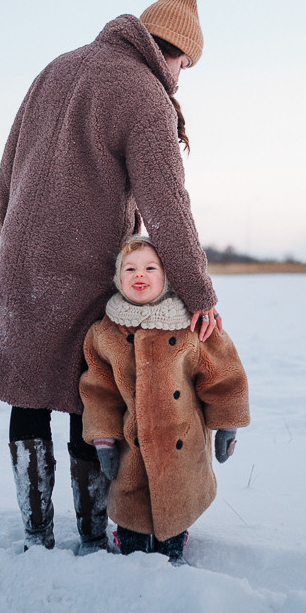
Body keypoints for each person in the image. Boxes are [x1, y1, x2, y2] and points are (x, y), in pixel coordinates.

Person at [0, 0, 224, 554]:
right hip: (85, 269)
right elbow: (168, 207)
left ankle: (36, 537)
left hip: (22, 261)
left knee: (28, 397)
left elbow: (6, 172)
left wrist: (13, 245)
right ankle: (91, 537)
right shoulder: (145, 94)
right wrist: (199, 292)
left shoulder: (57, 69)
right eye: (185, 66)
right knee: (91, 395)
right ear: (170, 52)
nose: (181, 79)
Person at [80, 235, 250, 564]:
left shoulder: (192, 325)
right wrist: (103, 438)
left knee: (176, 501)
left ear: (167, 277)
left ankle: (174, 544)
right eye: (130, 269)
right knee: (132, 504)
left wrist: (227, 425)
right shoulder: (105, 332)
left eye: (150, 268)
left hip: (182, 442)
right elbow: (99, 390)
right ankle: (131, 544)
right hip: (133, 444)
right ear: (118, 277)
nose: (139, 275)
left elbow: (223, 374)